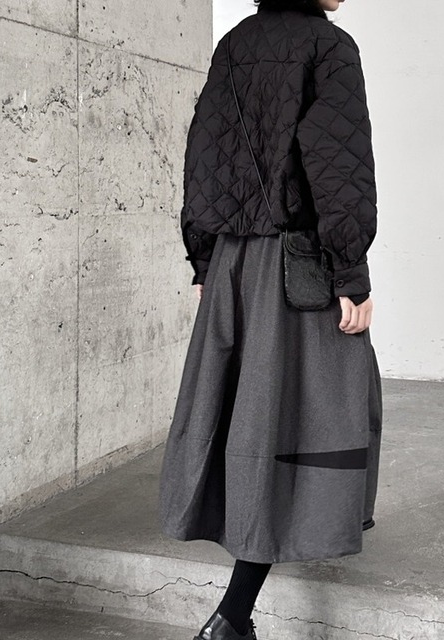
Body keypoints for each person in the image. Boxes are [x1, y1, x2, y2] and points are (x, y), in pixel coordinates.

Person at [158, 0, 383, 638]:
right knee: (320, 410)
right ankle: (233, 617)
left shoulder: (234, 44)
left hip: (234, 263)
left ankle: (239, 606)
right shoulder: (329, 47)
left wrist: (205, 260)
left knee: (251, 416)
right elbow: (338, 168)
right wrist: (351, 272)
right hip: (295, 266)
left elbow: (203, 157)